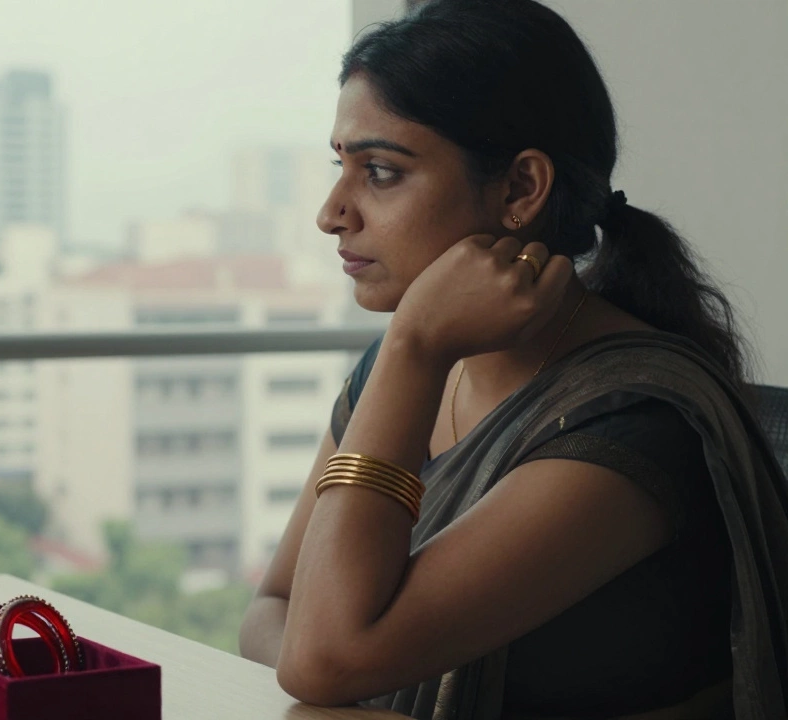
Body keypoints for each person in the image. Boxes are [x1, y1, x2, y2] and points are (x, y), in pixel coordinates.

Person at [236, 1, 788, 718]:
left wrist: (413, 344)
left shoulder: (640, 421)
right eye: (340, 165)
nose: (332, 211)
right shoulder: (409, 369)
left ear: (522, 188)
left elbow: (327, 655)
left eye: (379, 171)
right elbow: (273, 609)